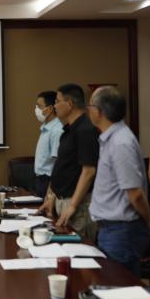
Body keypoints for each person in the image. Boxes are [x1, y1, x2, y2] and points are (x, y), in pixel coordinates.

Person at [87, 86, 150, 274]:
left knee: (118, 286)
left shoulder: (120, 142)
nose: (88, 110)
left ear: (99, 112)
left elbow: (135, 194)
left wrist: (148, 219)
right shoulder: (111, 138)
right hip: (112, 230)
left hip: (121, 233)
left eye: (90, 106)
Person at [39, 84, 99, 241]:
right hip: (63, 201)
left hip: (78, 205)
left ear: (70, 103)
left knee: (80, 251)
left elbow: (89, 171)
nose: (55, 106)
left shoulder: (85, 130)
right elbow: (63, 167)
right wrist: (52, 196)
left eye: (57, 101)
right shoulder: (68, 130)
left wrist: (72, 205)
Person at [32, 90, 62, 199]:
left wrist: (51, 192)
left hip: (49, 181)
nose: (36, 110)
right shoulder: (46, 127)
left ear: (49, 109)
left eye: (39, 106)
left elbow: (58, 162)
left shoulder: (57, 130)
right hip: (40, 179)